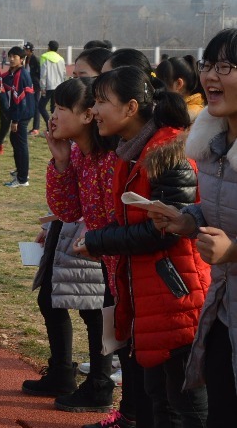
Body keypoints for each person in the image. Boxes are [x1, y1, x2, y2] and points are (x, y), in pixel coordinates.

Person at [81, 66, 210, 428]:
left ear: (131, 107)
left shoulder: (169, 154)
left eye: (102, 101)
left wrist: (98, 241)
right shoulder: (134, 151)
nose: (94, 110)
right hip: (151, 295)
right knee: (159, 400)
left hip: (177, 294)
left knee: (187, 406)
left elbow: (163, 231)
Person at [152, 28, 237, 427]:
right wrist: (187, 220)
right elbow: (218, 211)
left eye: (226, 67)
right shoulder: (213, 143)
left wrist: (233, 252)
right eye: (207, 65)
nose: (211, 77)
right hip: (223, 307)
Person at [21, 77, 117, 414]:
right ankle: (80, 378)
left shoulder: (110, 157)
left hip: (108, 250)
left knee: (97, 313)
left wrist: (97, 239)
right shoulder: (79, 154)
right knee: (68, 303)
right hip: (91, 243)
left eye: (62, 108)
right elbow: (69, 210)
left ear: (88, 114)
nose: (53, 115)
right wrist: (61, 162)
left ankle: (104, 388)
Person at [3, 46, 36, 187]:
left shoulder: (19, 75)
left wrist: (15, 120)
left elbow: (19, 100)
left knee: (20, 145)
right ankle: (21, 171)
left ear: (21, 60)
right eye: (10, 56)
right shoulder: (17, 73)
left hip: (22, 114)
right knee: (15, 140)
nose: (11, 59)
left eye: (14, 57)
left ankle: (22, 179)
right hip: (25, 112)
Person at [155, 57, 206, 122]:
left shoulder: (187, 116)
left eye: (162, 86)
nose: (158, 91)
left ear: (178, 84)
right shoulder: (179, 110)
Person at [38, 41, 67, 134]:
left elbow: (43, 74)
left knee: (41, 106)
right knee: (54, 109)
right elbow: (64, 74)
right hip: (59, 86)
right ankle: (55, 128)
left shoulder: (44, 57)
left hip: (48, 86)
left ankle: (49, 127)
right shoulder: (61, 59)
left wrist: (42, 87)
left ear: (49, 47)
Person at [24, 42, 42, 135]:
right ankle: (29, 126)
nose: (25, 51)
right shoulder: (27, 58)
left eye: (26, 50)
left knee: (36, 107)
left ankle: (36, 128)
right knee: (29, 106)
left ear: (30, 50)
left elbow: (39, 74)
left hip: (35, 86)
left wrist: (38, 84)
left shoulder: (35, 59)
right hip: (28, 86)